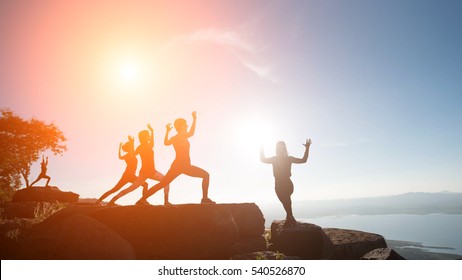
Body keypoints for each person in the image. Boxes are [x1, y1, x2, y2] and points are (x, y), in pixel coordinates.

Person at [136, 111, 214, 205]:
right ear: (181, 126)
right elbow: (191, 132)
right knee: (206, 175)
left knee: (163, 184)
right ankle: (204, 199)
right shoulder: (182, 135)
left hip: (179, 166)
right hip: (183, 166)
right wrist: (194, 119)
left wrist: (167, 131)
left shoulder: (175, 137)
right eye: (185, 124)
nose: (187, 125)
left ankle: (142, 199)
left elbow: (166, 142)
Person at [107, 124, 170, 206]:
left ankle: (166, 201)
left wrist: (152, 131)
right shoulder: (140, 147)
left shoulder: (150, 145)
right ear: (144, 137)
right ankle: (112, 200)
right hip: (144, 172)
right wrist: (132, 143)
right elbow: (132, 154)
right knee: (131, 188)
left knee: (166, 181)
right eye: (148, 135)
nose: (149, 137)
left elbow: (152, 140)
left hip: (152, 171)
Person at [260, 139, 312, 225]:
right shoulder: (287, 159)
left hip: (283, 184)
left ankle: (290, 217)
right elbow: (303, 160)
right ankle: (289, 217)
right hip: (286, 184)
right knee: (286, 201)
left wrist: (261, 147)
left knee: (286, 201)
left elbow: (262, 159)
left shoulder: (277, 159)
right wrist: (307, 149)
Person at [95, 136, 152, 205]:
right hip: (129, 175)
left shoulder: (127, 156)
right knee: (145, 185)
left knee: (114, 189)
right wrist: (131, 143)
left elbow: (120, 157)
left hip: (128, 175)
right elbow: (126, 155)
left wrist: (120, 147)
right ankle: (143, 200)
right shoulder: (130, 155)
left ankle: (100, 201)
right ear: (129, 148)